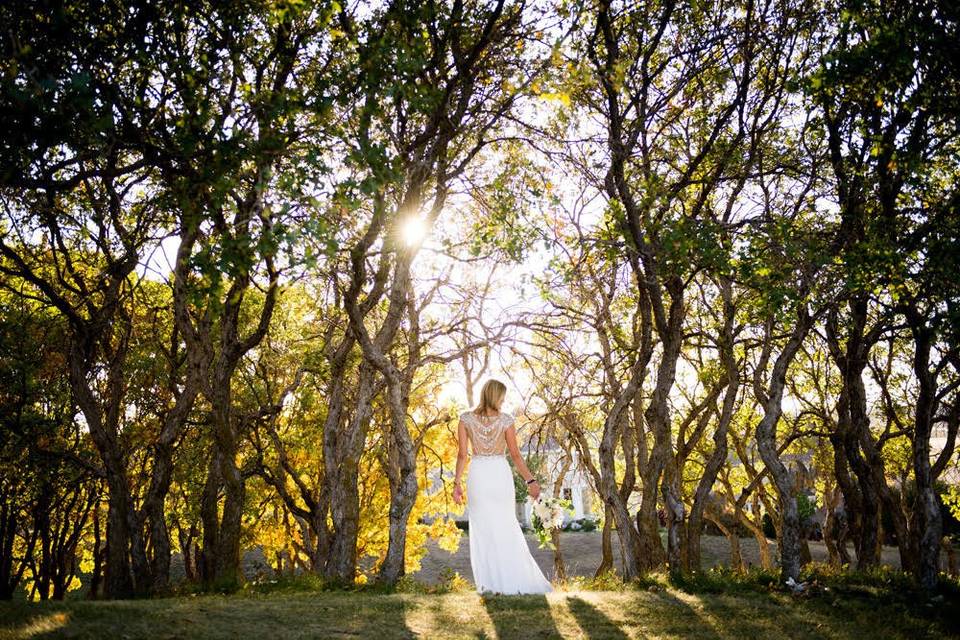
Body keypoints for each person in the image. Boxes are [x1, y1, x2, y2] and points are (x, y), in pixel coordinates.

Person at [452, 379, 552, 594]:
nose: (504, 401)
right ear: (495, 396)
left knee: (483, 529)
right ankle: (512, 581)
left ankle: (490, 584)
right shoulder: (506, 420)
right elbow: (515, 455)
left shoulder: (465, 419)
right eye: (502, 397)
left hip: (478, 475)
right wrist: (531, 481)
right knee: (506, 524)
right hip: (499, 472)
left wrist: (457, 483)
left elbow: (462, 454)